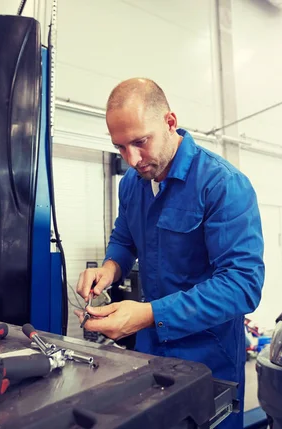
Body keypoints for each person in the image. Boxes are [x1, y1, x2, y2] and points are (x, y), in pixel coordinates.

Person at [75, 78, 265, 429]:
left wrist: (148, 314)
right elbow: (125, 238)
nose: (131, 159)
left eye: (139, 142)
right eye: (120, 147)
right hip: (150, 354)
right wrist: (110, 268)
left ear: (170, 122)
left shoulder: (222, 184)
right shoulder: (132, 184)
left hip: (209, 358)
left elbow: (243, 285)